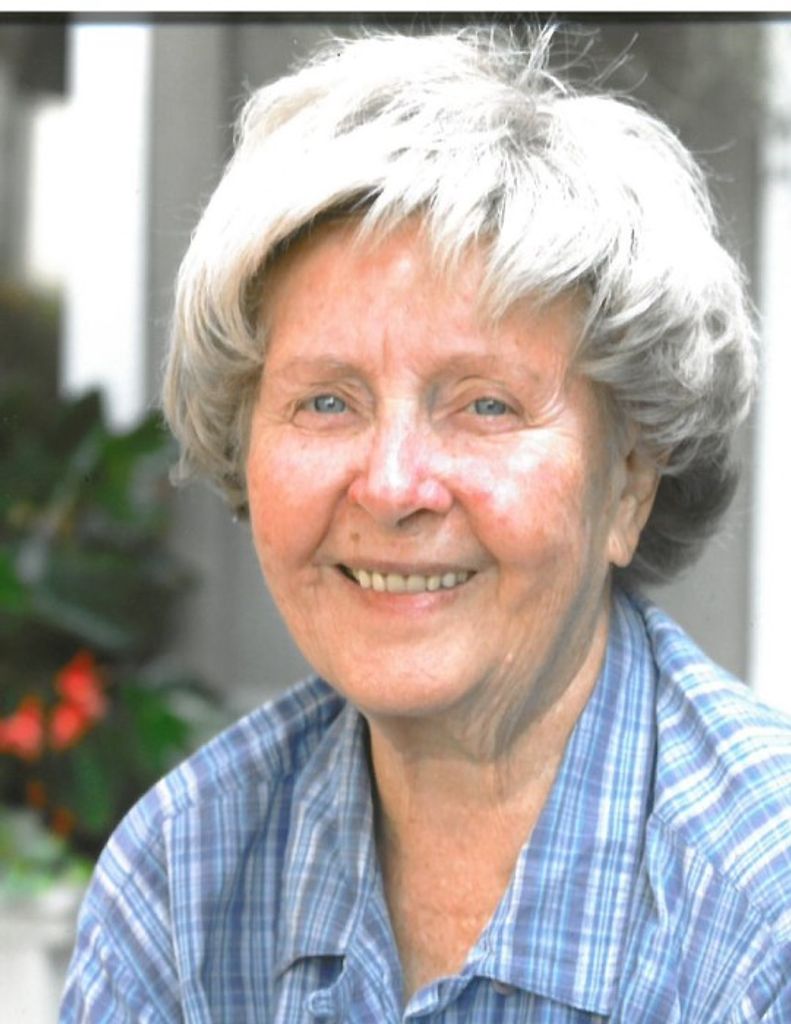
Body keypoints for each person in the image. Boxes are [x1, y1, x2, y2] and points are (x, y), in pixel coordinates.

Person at [61, 25, 791, 1023]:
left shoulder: (763, 915)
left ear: (628, 482)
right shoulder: (182, 880)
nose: (393, 485)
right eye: (326, 402)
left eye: (485, 404)